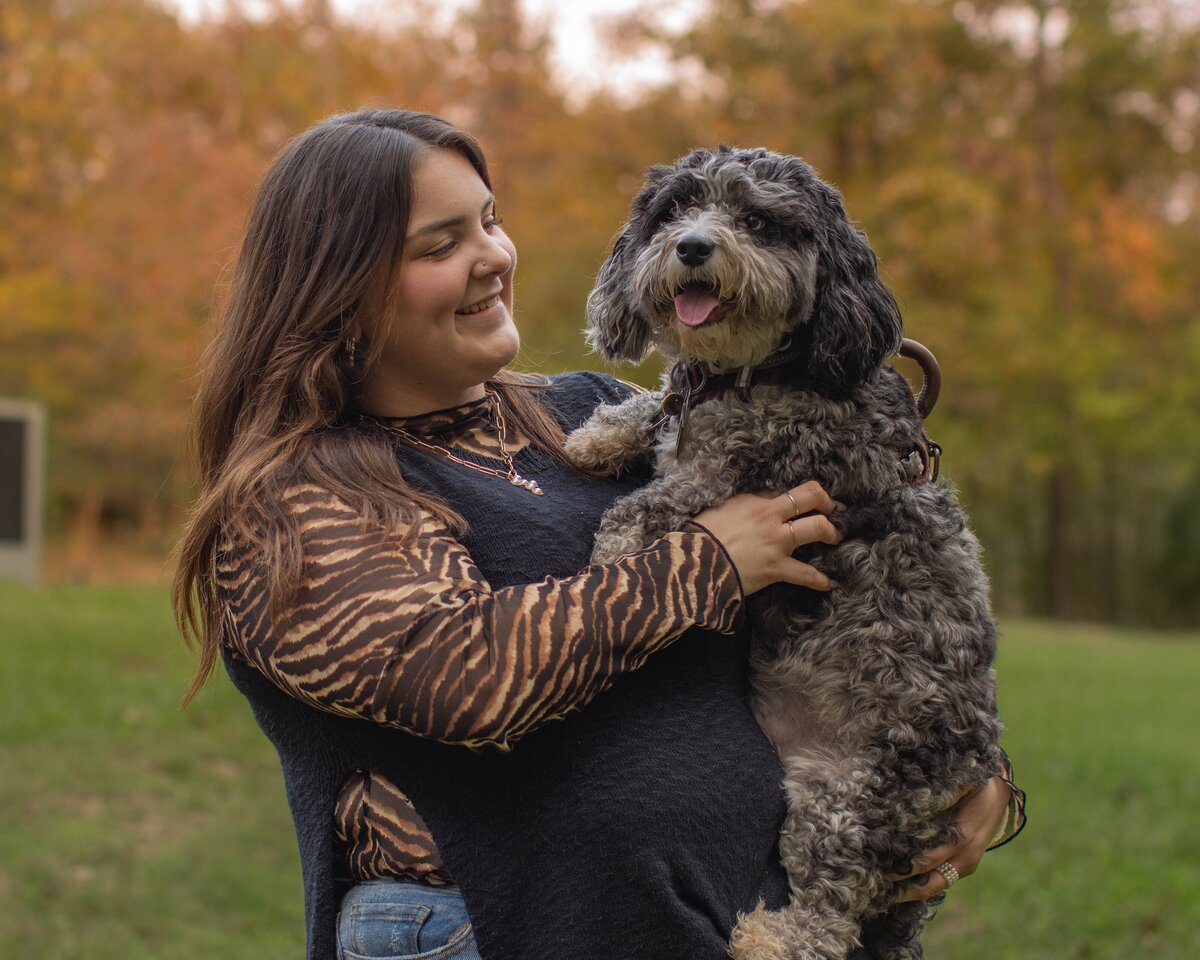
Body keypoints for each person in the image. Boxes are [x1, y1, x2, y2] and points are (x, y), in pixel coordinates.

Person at [173, 108, 1024, 960]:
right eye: (440, 246)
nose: (494, 257)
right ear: (332, 288)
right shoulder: (299, 497)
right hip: (509, 931)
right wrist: (708, 563)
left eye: (490, 221)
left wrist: (974, 774)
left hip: (716, 919)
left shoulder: (589, 412)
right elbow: (461, 677)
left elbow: (876, 588)